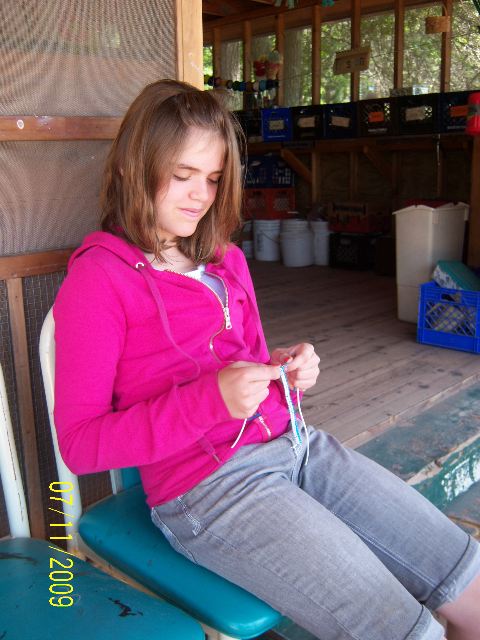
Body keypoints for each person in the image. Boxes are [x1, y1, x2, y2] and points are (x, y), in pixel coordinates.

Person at [53, 79, 480, 640]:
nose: (201, 196)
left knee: (463, 572)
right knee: (401, 628)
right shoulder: (99, 280)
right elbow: (81, 444)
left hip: (298, 446)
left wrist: (284, 372)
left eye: (212, 178)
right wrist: (211, 401)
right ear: (136, 167)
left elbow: (247, 360)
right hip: (208, 489)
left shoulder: (225, 259)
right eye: (183, 175)